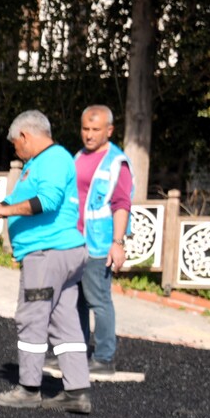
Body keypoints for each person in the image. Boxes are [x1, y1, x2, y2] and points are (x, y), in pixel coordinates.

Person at [0, 109, 94, 413]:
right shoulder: (40, 163)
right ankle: (76, 392)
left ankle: (28, 389)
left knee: (32, 317)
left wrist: (5, 211)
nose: (15, 150)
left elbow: (48, 201)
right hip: (60, 253)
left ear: (25, 136)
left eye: (15, 145)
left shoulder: (54, 158)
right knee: (65, 321)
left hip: (47, 254)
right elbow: (15, 201)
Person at [74, 104, 134, 379]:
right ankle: (78, 352)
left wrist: (117, 242)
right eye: (85, 128)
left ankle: (104, 357)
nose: (89, 134)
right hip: (75, 241)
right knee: (77, 301)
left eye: (95, 129)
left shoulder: (116, 162)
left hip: (99, 244)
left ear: (109, 130)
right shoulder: (78, 157)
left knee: (98, 300)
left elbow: (122, 203)